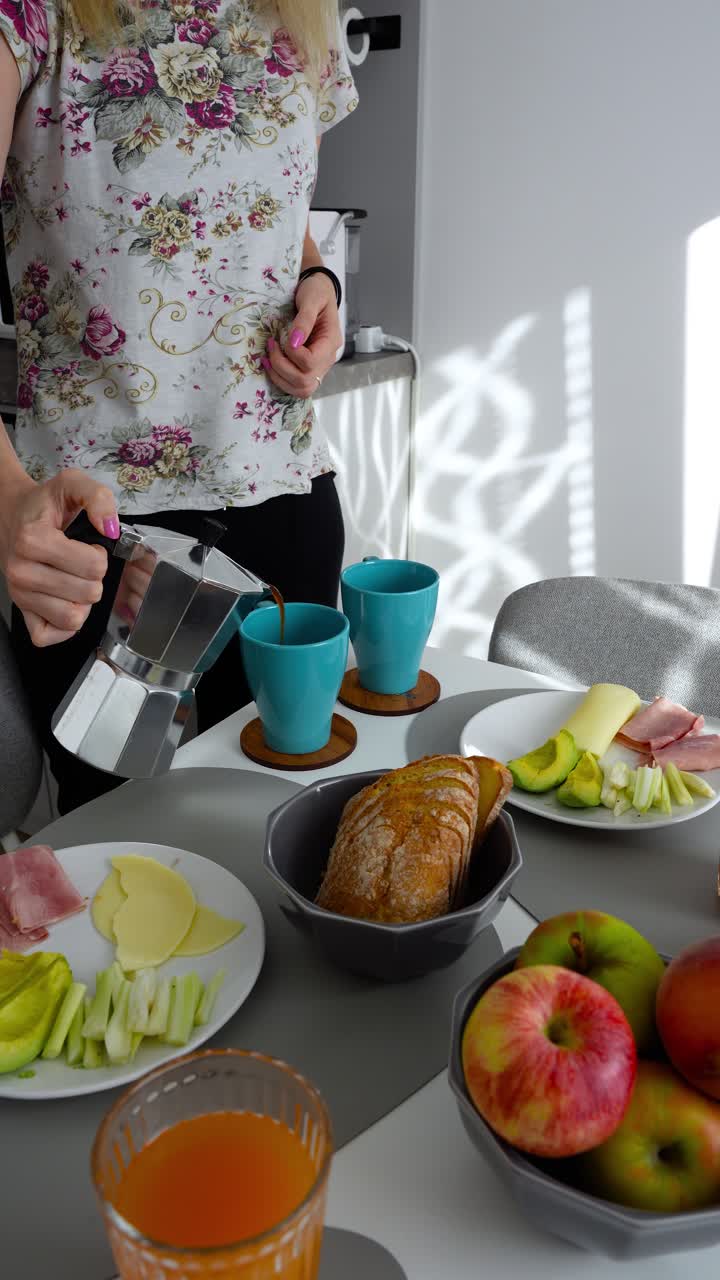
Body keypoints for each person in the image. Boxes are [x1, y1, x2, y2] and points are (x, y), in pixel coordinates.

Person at [0, 0, 357, 813]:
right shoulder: (32, 15)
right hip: (98, 534)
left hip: (285, 497)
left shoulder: (304, 16)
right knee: (118, 858)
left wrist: (319, 284)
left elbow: (279, 215)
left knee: (289, 817)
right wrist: (6, 495)